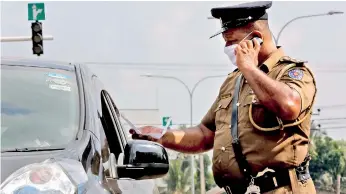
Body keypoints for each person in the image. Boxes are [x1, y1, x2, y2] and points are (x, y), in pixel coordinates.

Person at [130, 1, 317, 193]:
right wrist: (161, 136)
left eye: (232, 42)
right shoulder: (235, 80)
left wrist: (250, 69)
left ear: (257, 39)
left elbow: (288, 106)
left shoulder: (292, 73)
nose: (227, 48)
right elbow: (205, 134)